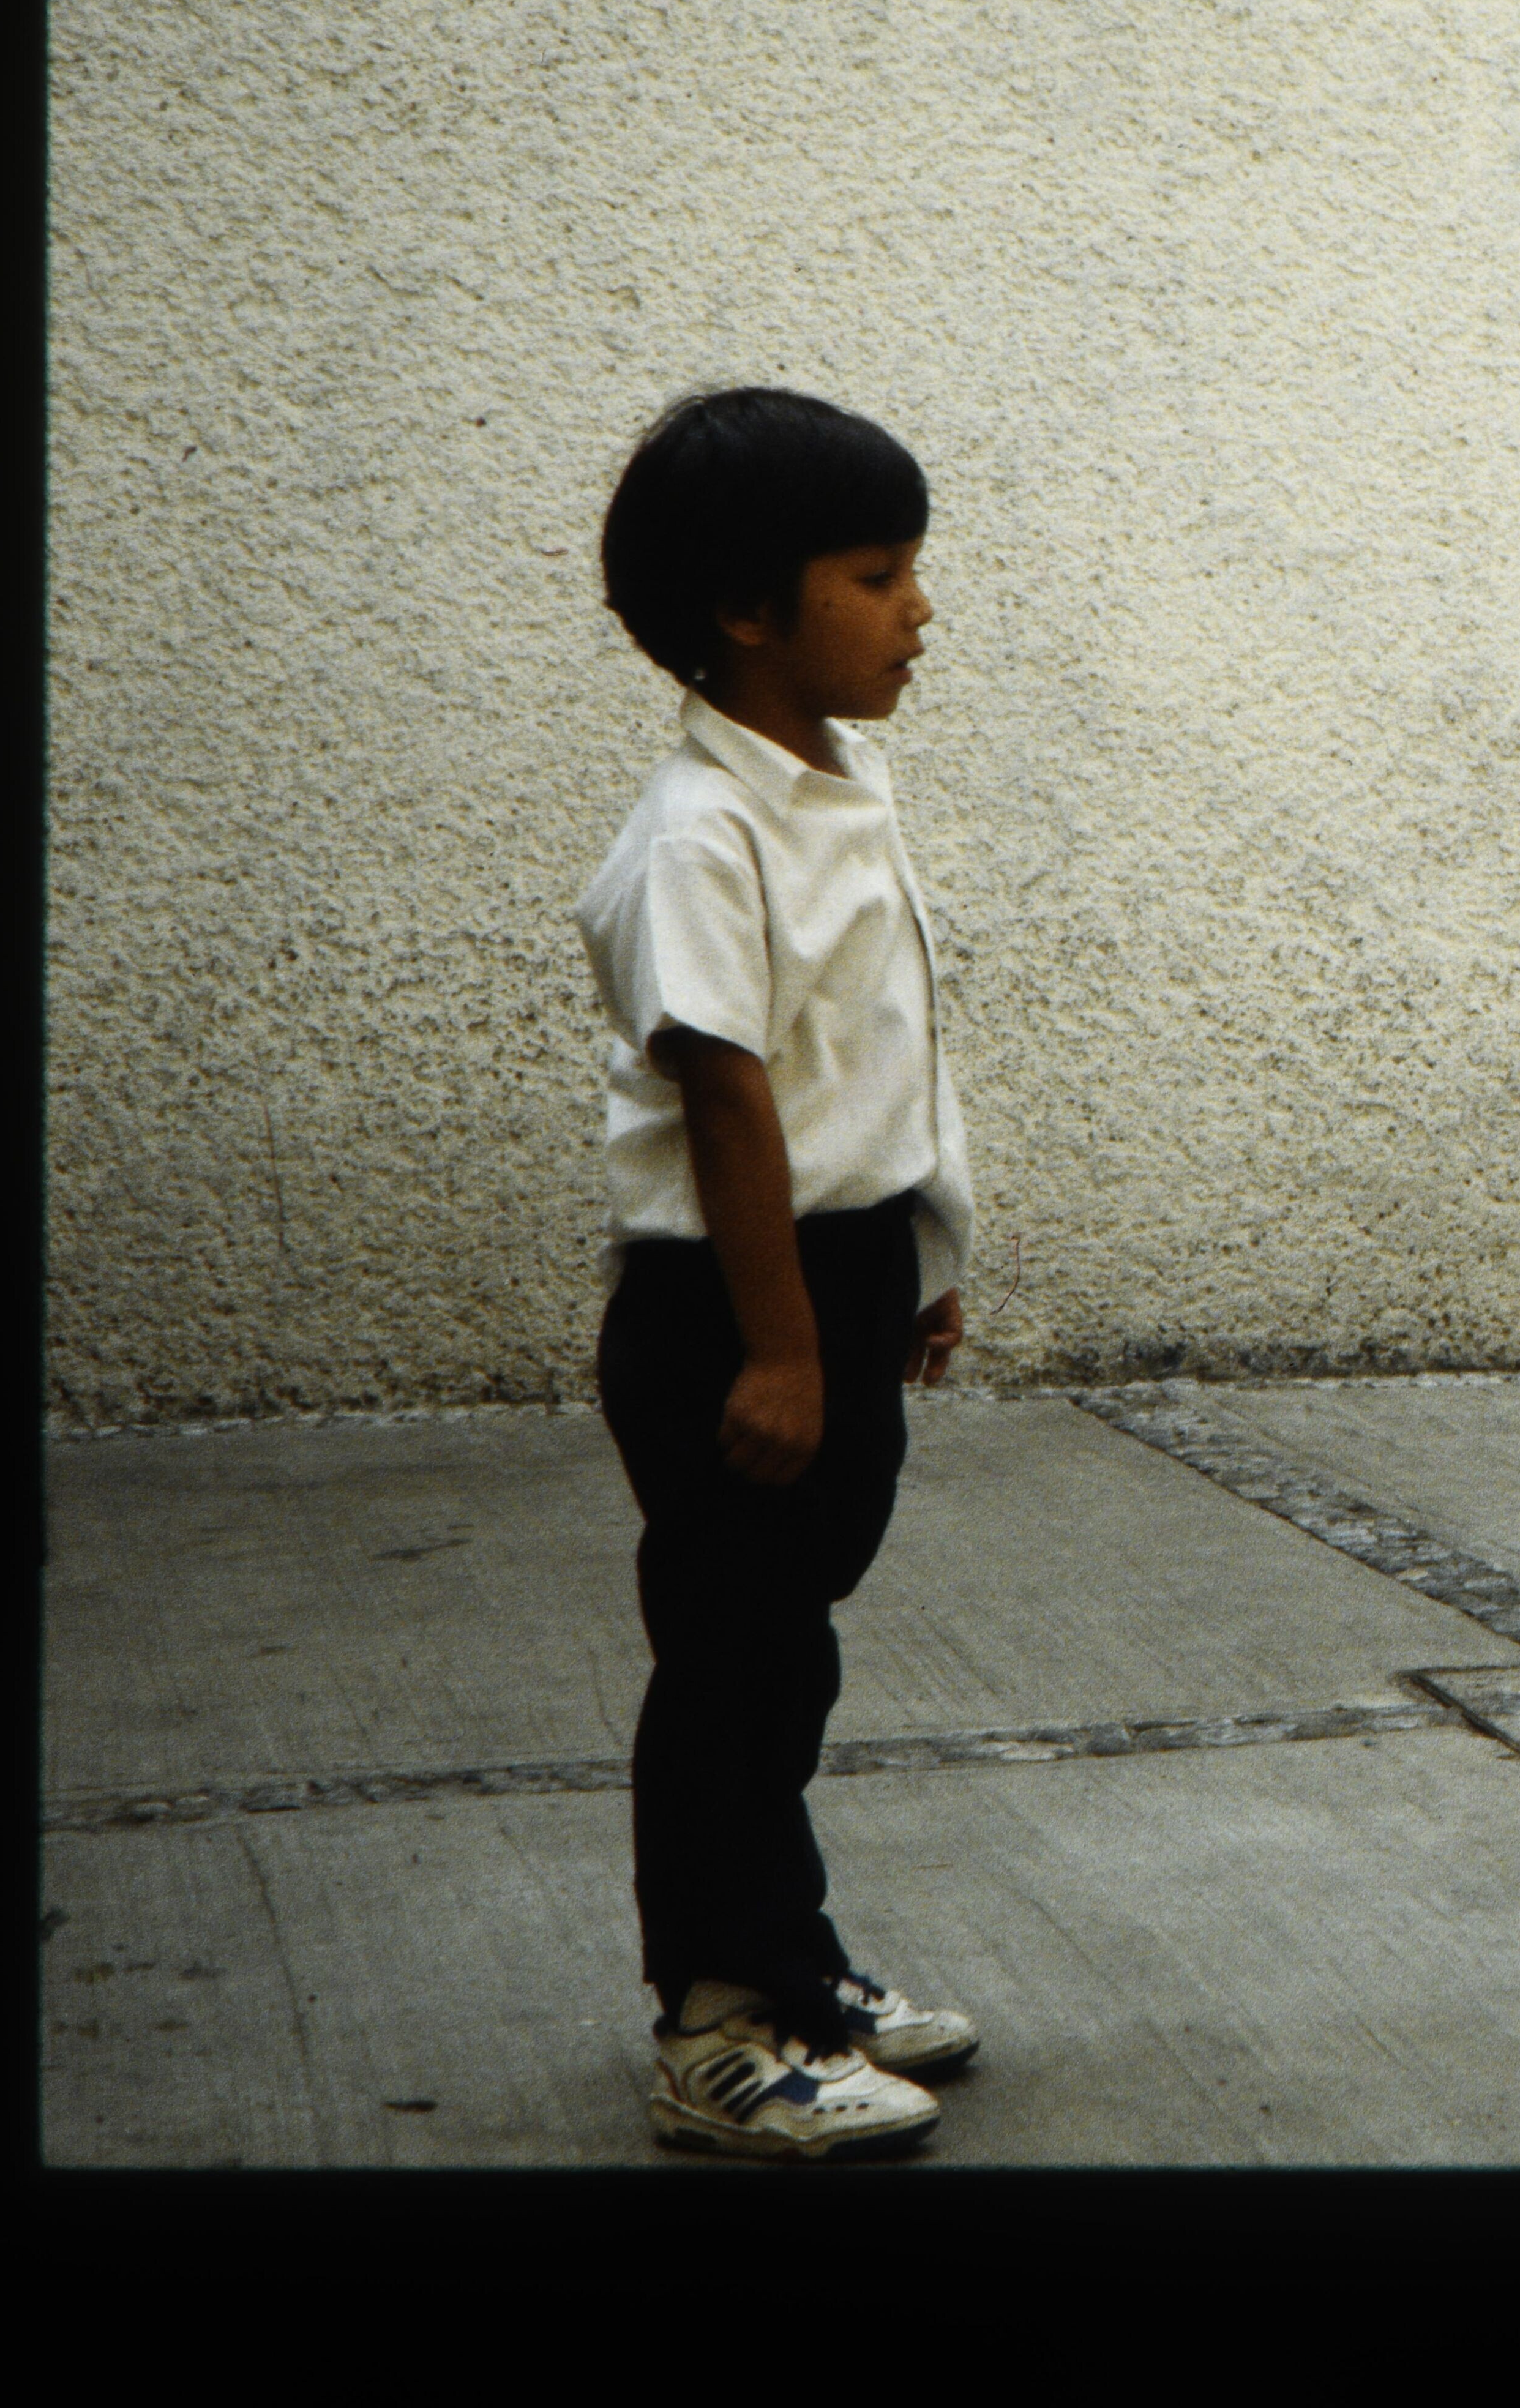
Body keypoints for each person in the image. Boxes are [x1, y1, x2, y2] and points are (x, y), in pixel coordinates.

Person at [577, 386, 983, 2161]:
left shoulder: (838, 783)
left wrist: (923, 1253)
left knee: (785, 1655)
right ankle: (714, 2023)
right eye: (877, 576)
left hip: (839, 1274)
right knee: (730, 1663)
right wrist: (786, 1348)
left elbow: (875, 1046)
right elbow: (730, 1099)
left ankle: (791, 1966)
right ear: (749, 610)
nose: (919, 610)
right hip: (735, 1303)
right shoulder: (699, 832)